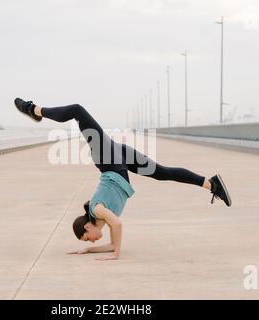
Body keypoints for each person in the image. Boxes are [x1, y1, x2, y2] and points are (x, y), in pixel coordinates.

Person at [14, 98, 232, 260]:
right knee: (163, 173)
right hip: (117, 158)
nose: (93, 240)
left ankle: (34, 110)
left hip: (108, 159)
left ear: (88, 228)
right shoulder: (103, 220)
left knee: (77, 111)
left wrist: (116, 255)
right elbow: (111, 241)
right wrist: (88, 250)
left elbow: (117, 227)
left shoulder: (97, 210)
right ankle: (212, 183)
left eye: (88, 239)